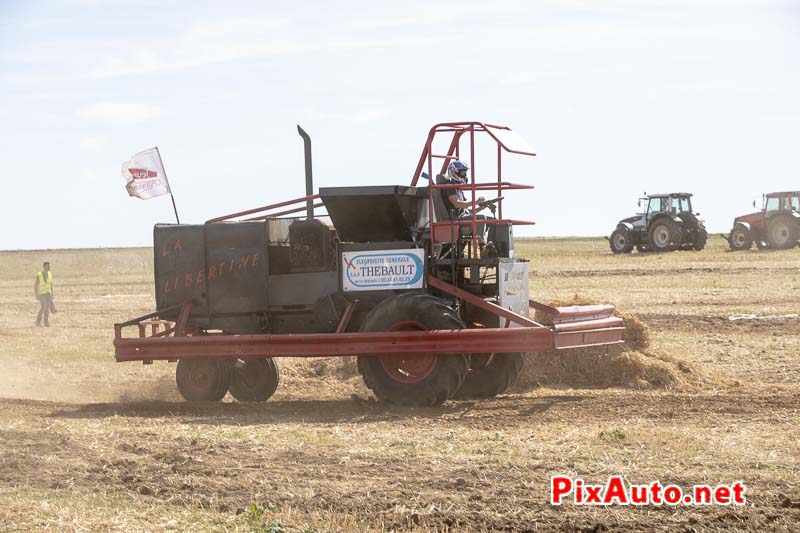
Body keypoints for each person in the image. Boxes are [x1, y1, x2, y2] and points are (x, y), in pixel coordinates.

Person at [443, 160, 495, 254]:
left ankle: (491, 248)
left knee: (491, 219)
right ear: (455, 172)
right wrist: (475, 202)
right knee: (481, 218)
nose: (465, 176)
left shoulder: (458, 189)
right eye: (463, 173)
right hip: (455, 220)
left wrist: (482, 207)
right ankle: (483, 248)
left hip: (461, 218)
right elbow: (457, 204)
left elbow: (468, 212)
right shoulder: (450, 187)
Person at [34, 261, 54, 327]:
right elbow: (36, 285)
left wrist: (52, 294)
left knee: (47, 308)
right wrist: (36, 295)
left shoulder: (50, 274)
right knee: (43, 307)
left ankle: (46, 322)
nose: (49, 267)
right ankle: (38, 321)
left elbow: (51, 285)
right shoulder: (39, 275)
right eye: (47, 266)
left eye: (49, 266)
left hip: (48, 293)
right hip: (41, 294)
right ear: (44, 267)